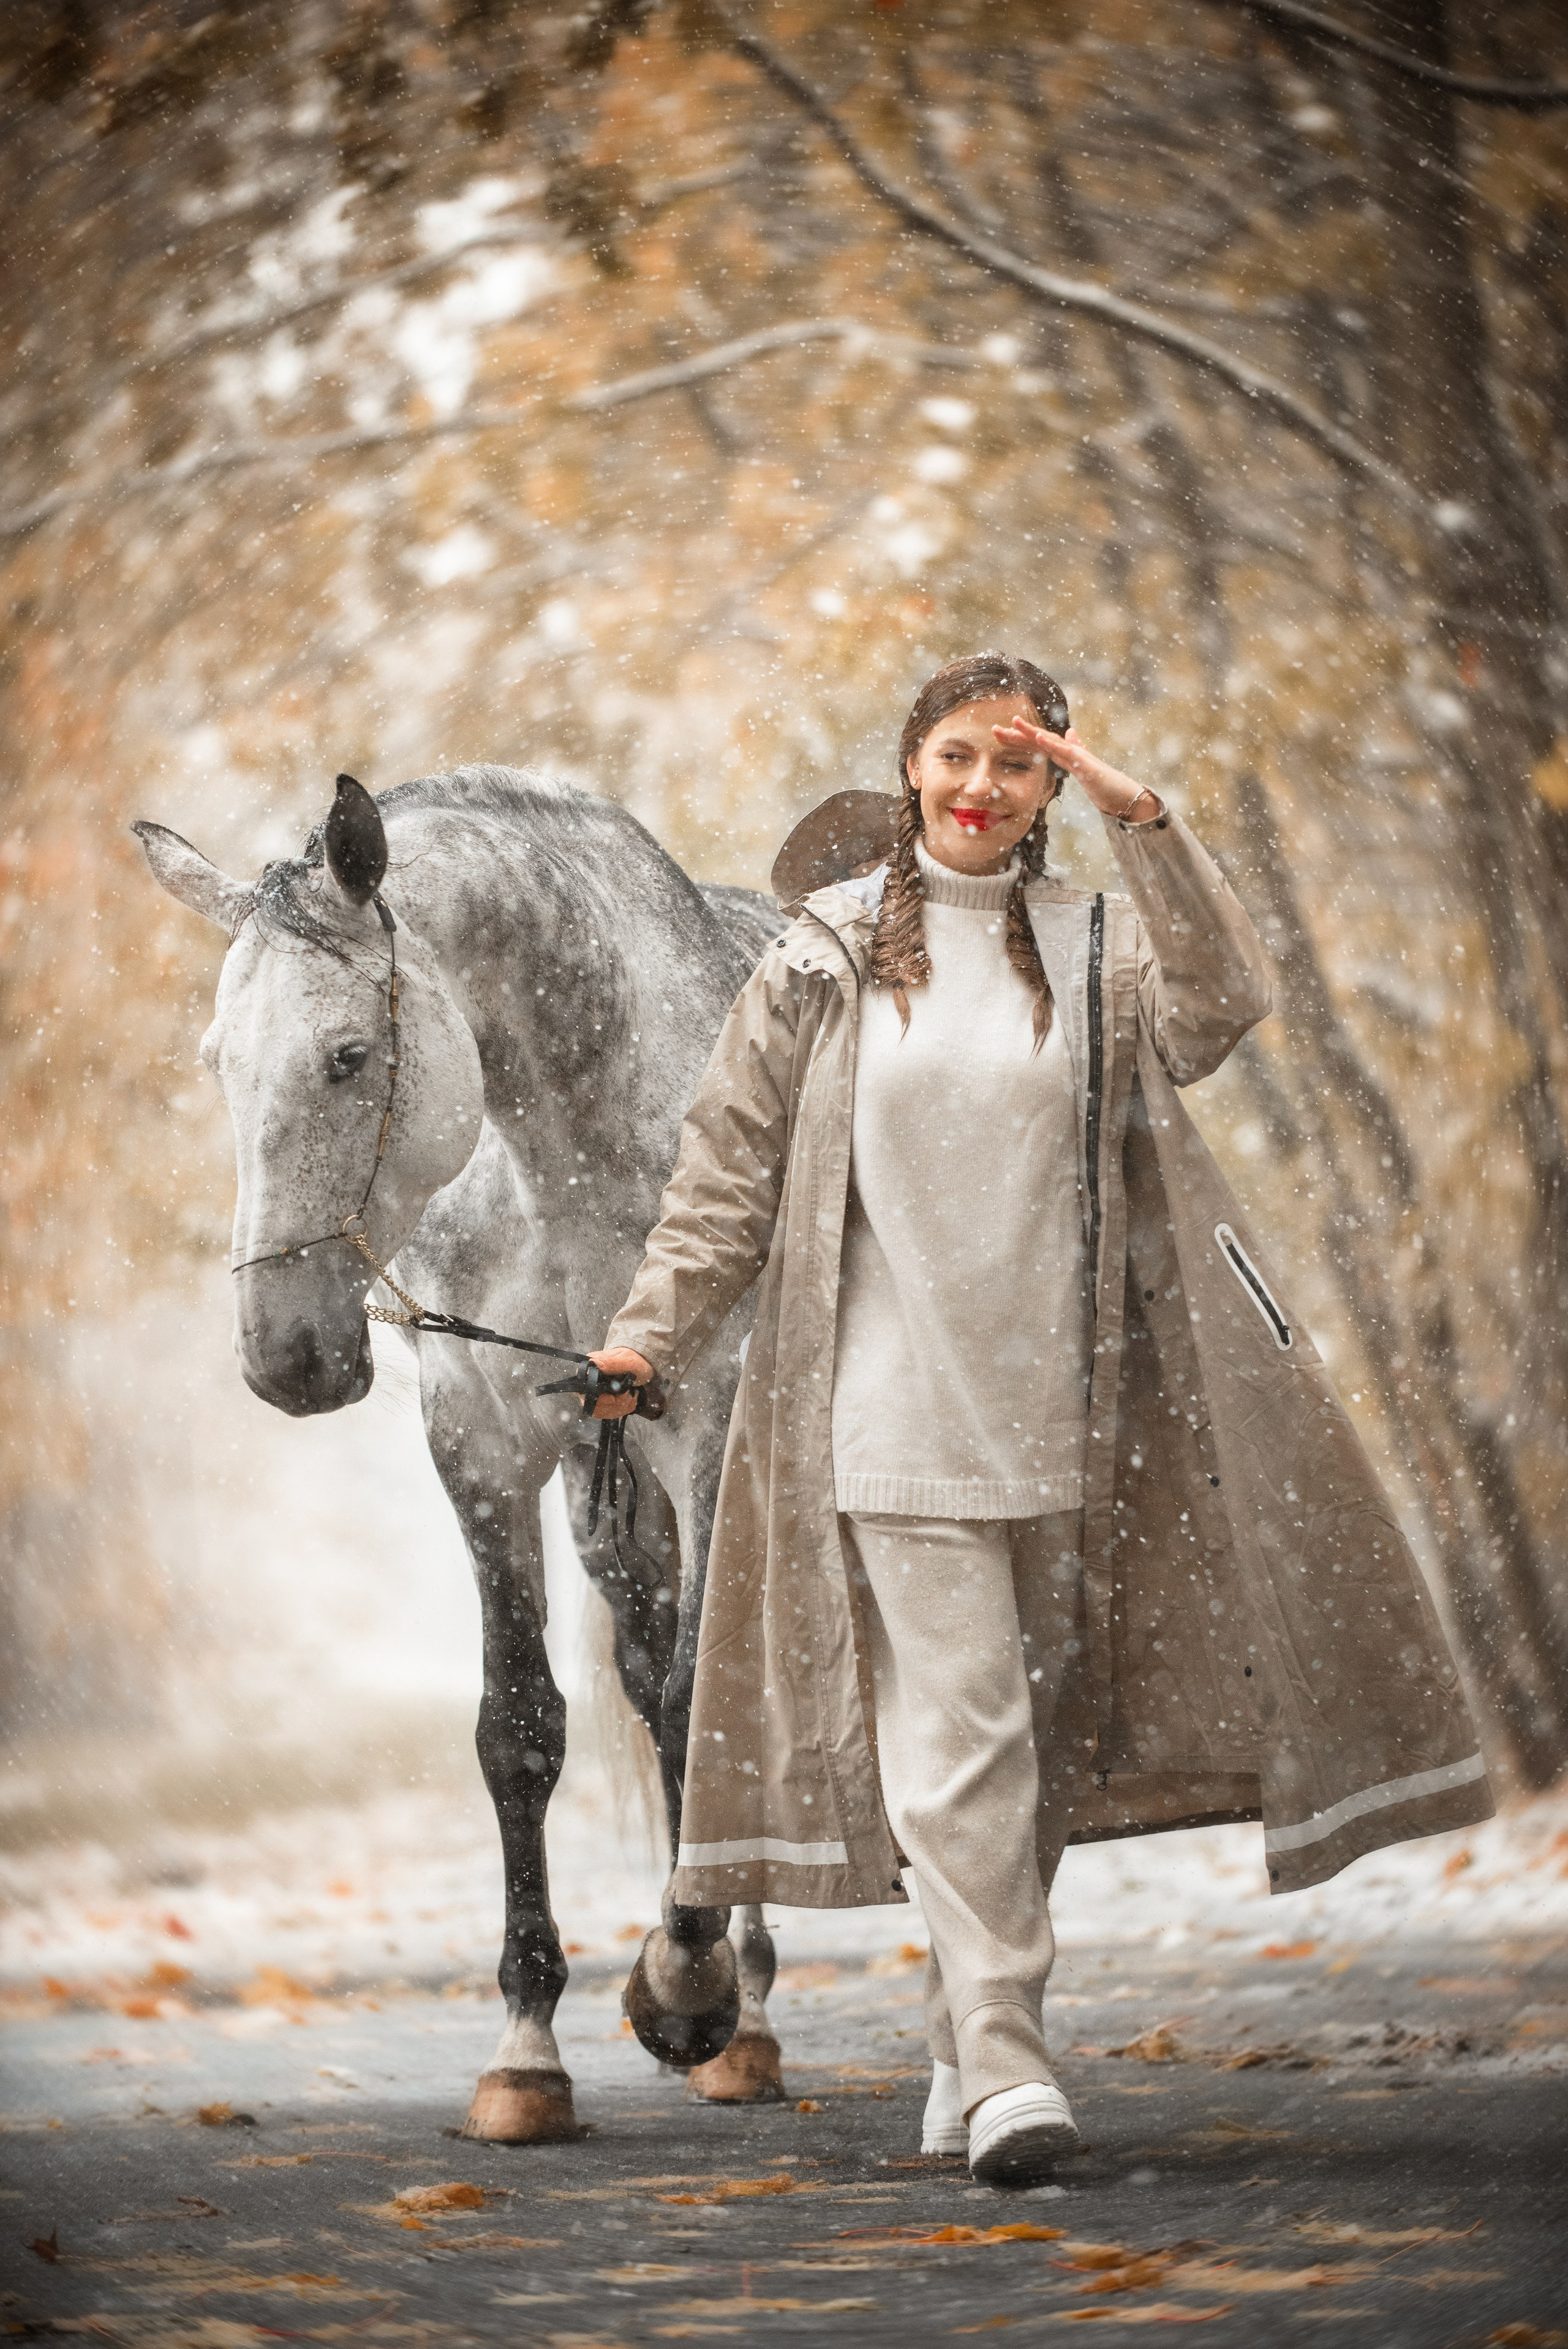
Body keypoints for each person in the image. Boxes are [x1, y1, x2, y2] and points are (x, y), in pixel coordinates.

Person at [589, 652, 1491, 2189]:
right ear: (909, 768)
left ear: (1051, 782)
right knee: (959, 1740)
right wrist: (642, 1334)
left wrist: (1146, 820)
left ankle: (956, 2046)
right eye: (955, 755)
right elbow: (725, 1177)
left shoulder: (1099, 947)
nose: (979, 787)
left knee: (1028, 1754)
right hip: (883, 1406)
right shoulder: (816, 959)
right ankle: (1010, 2058)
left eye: (1018, 762)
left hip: (1076, 1413)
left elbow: (1223, 1006)